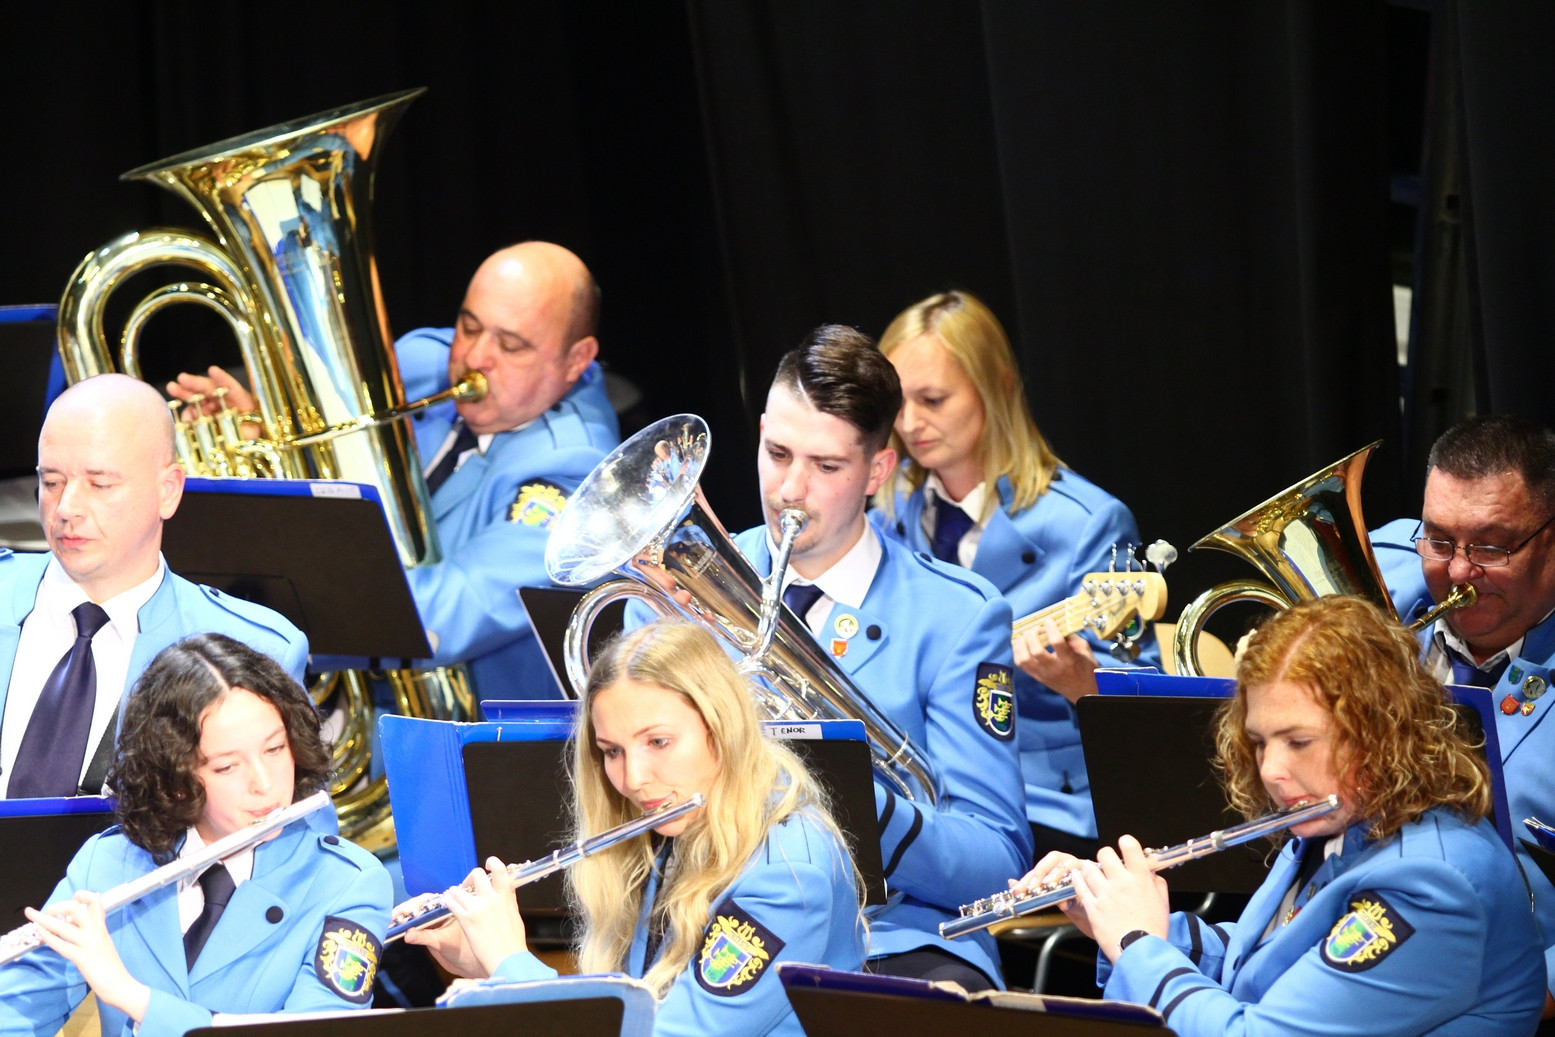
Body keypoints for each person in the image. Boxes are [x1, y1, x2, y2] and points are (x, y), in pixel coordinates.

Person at [1012, 596, 1546, 1035]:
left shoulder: (1431, 886)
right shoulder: (1341, 824)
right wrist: (1113, 914)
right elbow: (1262, 961)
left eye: (1298, 742)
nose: (1271, 770)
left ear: (1383, 732)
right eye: (1260, 742)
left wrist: (1137, 943)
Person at [716, 325, 1030, 989]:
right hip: (714, 920)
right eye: (777, 452)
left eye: (826, 467)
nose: (789, 490)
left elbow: (994, 861)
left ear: (876, 472)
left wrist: (862, 803)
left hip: (886, 934)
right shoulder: (693, 582)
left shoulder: (954, 616)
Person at [169, 241, 620, 702]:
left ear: (576, 360)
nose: (474, 358)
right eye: (469, 325)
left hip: (457, 722)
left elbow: (443, 614)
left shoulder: (575, 469)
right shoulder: (423, 362)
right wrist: (264, 441)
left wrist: (263, 623)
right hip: (344, 689)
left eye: (511, 345)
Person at [401, 621, 865, 1036]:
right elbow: (630, 1019)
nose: (633, 779)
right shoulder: (676, 834)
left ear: (722, 728)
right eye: (613, 751)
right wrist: (484, 964)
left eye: (658, 742)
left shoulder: (786, 876)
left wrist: (509, 958)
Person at [872, 290, 1158, 862]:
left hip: (1047, 801)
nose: (909, 423)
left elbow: (1147, 708)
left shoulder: (1085, 523)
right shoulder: (886, 512)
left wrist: (1082, 678)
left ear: (998, 388)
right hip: (926, 788)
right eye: (898, 402)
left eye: (933, 399)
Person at [0, 633, 392, 1036]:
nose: (264, 784)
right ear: (175, 779)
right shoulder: (111, 863)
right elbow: (17, 1012)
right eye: (227, 767)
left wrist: (131, 996)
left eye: (275, 750)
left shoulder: (345, 883)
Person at [0, 375, 307, 800]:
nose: (66, 508)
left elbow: (282, 837)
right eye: (51, 482)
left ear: (168, 491)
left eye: (101, 484)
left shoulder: (252, 647)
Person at [1369, 414, 1555, 1011]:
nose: (1457, 573)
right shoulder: (1382, 583)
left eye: (1492, 546)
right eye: (1440, 540)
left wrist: (1519, 997)